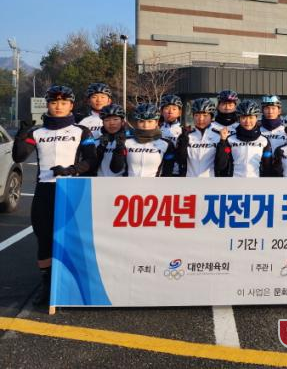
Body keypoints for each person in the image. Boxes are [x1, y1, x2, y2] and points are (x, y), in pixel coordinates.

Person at [12, 85, 97, 306]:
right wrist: (21, 135)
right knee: (44, 238)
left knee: (74, 238)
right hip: (45, 190)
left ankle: (74, 283)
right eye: (53, 102)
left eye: (63, 102)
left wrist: (72, 170)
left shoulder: (81, 131)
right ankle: (48, 284)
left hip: (72, 189)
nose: (58, 106)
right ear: (48, 105)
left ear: (71, 105)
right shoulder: (37, 132)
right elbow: (19, 156)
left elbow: (91, 160)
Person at [109, 103, 176, 177]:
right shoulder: (126, 141)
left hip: (154, 184)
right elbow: (115, 169)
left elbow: (168, 171)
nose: (145, 125)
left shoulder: (166, 144)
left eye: (150, 121)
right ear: (136, 122)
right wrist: (119, 149)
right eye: (141, 121)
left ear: (156, 122)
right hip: (129, 183)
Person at [216, 100, 273, 177]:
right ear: (239, 118)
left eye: (251, 117)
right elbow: (222, 164)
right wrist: (223, 142)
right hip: (234, 182)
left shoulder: (264, 141)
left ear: (256, 118)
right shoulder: (230, 140)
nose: (247, 121)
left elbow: (268, 167)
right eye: (243, 117)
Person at [175, 98, 225, 178]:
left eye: (205, 115)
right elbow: (179, 160)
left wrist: (223, 142)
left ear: (211, 116)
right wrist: (183, 140)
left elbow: (222, 164)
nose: (201, 119)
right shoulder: (186, 135)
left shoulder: (219, 136)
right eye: (197, 115)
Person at [96, 104, 128, 177]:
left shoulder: (129, 142)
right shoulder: (97, 142)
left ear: (122, 121)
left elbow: (117, 169)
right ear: (102, 123)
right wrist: (100, 149)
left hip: (121, 182)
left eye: (115, 119)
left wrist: (120, 146)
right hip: (99, 182)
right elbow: (91, 166)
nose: (111, 123)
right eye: (107, 120)